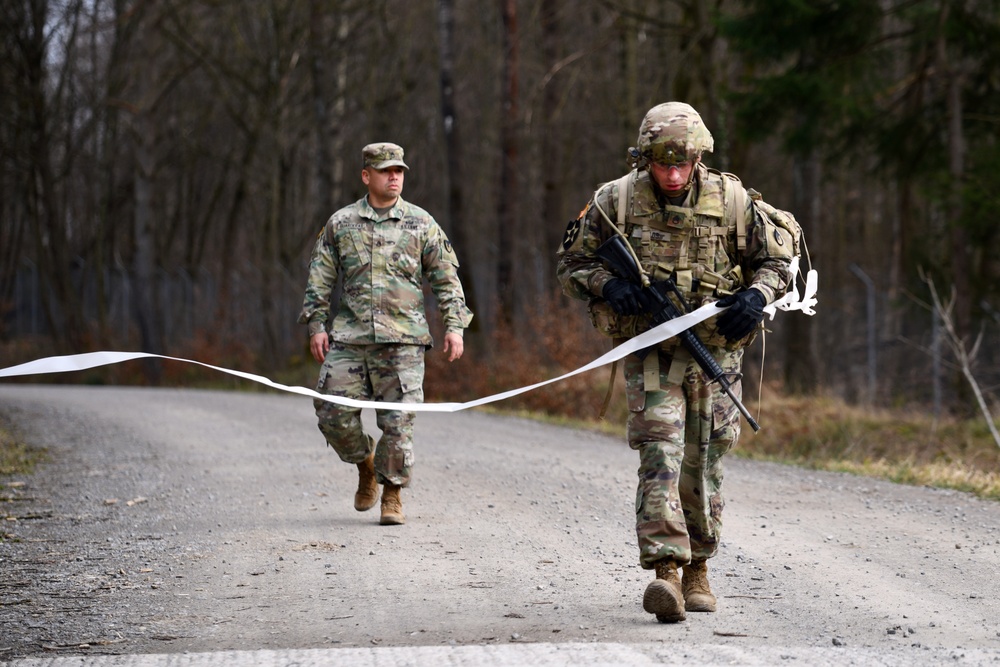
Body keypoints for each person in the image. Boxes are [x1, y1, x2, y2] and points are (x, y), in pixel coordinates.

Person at [556, 102, 795, 623]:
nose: (671, 174)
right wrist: (608, 284)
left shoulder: (733, 201)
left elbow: (779, 260)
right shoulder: (613, 202)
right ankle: (666, 571)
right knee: (659, 454)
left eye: (681, 164)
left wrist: (757, 295)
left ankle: (699, 569)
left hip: (717, 355)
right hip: (654, 354)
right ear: (644, 159)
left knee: (703, 461)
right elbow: (571, 263)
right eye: (662, 164)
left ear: (698, 158)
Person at [299, 142, 472, 526]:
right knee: (331, 413)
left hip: (403, 342)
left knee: (398, 424)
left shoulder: (421, 223)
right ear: (366, 176)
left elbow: (446, 278)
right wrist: (316, 324)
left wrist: (454, 326)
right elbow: (320, 277)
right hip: (349, 339)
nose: (395, 177)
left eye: (399, 171)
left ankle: (392, 495)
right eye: (386, 171)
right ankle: (365, 462)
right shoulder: (341, 224)